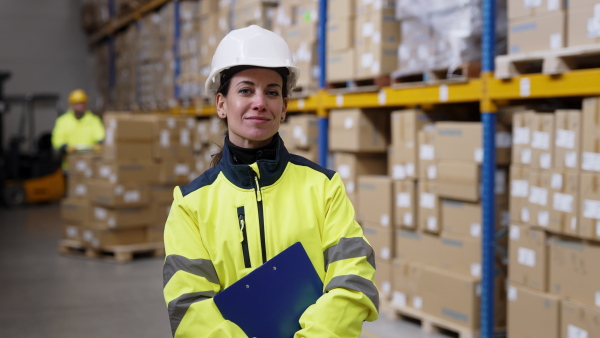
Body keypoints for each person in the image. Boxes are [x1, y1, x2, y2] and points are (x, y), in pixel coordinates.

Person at [163, 25, 378, 337]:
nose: (260, 102)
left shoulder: (323, 187)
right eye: (246, 90)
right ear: (222, 104)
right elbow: (189, 305)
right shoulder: (190, 204)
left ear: (284, 108)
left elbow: (354, 278)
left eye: (272, 92)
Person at [51, 89, 104, 154]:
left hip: (90, 158)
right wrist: (65, 147)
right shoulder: (62, 121)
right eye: (77, 103)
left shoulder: (94, 120)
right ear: (71, 105)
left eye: (82, 103)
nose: (80, 106)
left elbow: (100, 136)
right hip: (70, 159)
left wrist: (98, 144)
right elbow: (57, 140)